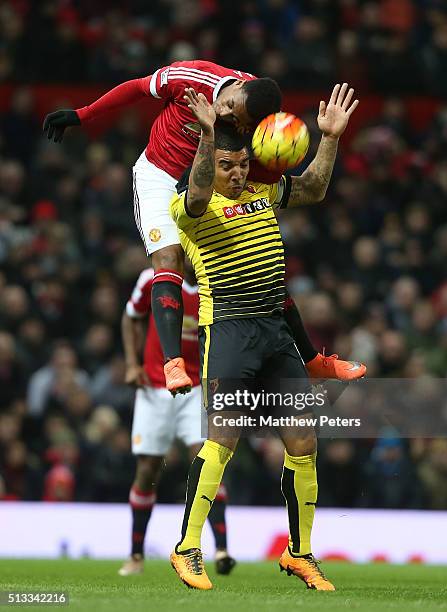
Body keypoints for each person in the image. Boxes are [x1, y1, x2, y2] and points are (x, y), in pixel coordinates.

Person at [43, 60, 365, 395]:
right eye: (230, 107)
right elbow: (138, 87)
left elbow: (302, 187)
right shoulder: (191, 77)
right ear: (236, 88)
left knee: (261, 267)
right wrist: (83, 114)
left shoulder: (260, 124)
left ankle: (312, 361)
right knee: (168, 262)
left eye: (237, 121)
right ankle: (172, 364)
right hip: (163, 174)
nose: (226, 113)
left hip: (218, 176)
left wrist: (324, 140)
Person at [168, 82, 359, 591]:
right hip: (228, 329)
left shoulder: (261, 192)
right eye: (228, 164)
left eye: (242, 165)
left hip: (274, 333)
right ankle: (187, 549)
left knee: (304, 441)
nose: (237, 173)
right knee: (222, 440)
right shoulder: (190, 206)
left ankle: (300, 553)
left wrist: (330, 139)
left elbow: (314, 188)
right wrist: (209, 137)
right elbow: (202, 189)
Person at [118, 264, 235, 577]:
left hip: (196, 388)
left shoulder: (216, 284)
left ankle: (222, 548)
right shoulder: (153, 279)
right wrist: (132, 363)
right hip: (154, 389)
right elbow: (131, 317)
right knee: (147, 470)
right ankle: (136, 556)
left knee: (205, 460)